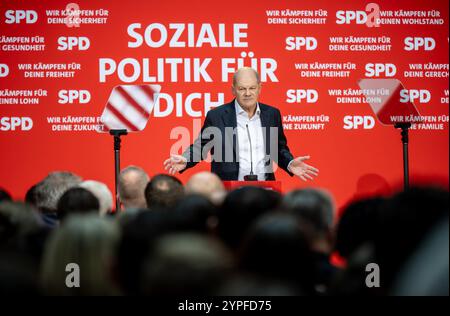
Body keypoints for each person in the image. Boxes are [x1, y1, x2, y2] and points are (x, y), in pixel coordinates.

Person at [164, 67, 319, 181]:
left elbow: (278, 148)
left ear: (260, 88)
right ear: (233, 90)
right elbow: (201, 147)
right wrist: (185, 159)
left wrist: (289, 163)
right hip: (228, 191)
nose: (247, 93)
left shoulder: (272, 114)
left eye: (252, 88)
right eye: (242, 88)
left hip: (265, 190)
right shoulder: (216, 116)